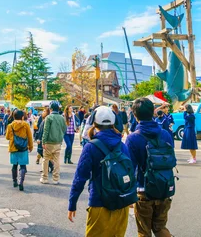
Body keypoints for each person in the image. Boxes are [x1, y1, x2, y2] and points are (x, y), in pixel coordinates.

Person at [68, 106, 137, 236]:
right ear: (113, 123)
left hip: (99, 203)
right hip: (121, 205)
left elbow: (80, 178)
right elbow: (131, 172)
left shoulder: (90, 147)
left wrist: (72, 203)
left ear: (94, 123)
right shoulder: (122, 145)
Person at [126, 98, 176, 237]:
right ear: (152, 112)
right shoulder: (165, 134)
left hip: (144, 190)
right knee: (160, 228)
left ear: (135, 115)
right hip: (165, 187)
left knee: (144, 231)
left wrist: (128, 195)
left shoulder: (133, 138)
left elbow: (130, 168)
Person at [6, 109, 33, 191]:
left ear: (13, 116)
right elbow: (30, 137)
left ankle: (14, 181)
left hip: (13, 147)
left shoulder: (10, 126)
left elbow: (7, 137)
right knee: (23, 166)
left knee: (14, 165)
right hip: (23, 148)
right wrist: (30, 146)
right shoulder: (26, 125)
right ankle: (21, 182)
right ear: (22, 117)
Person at [40, 102, 66, 184]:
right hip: (58, 142)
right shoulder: (62, 118)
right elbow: (64, 129)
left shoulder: (49, 117)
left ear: (51, 109)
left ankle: (44, 178)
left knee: (46, 159)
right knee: (56, 160)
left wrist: (43, 141)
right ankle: (56, 179)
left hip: (49, 141)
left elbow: (46, 130)